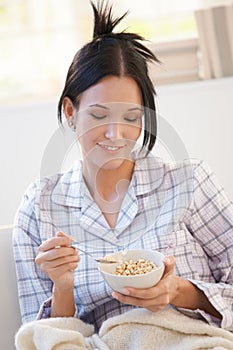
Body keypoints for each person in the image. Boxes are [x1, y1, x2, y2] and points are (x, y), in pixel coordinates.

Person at [13, 0, 233, 334]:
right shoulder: (40, 205)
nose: (116, 134)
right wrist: (63, 286)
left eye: (131, 117)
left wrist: (180, 291)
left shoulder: (188, 182)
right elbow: (41, 337)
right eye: (99, 116)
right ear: (71, 112)